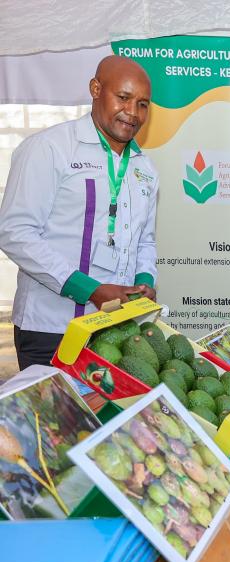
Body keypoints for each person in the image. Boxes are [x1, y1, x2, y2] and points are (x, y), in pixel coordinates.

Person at [0, 55, 159, 370]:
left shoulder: (145, 168)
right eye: (123, 98)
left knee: (108, 418)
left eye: (142, 104)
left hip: (114, 332)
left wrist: (144, 280)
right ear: (96, 89)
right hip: (51, 328)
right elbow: (15, 233)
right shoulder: (50, 148)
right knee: (59, 420)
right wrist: (89, 289)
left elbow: (146, 240)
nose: (132, 112)